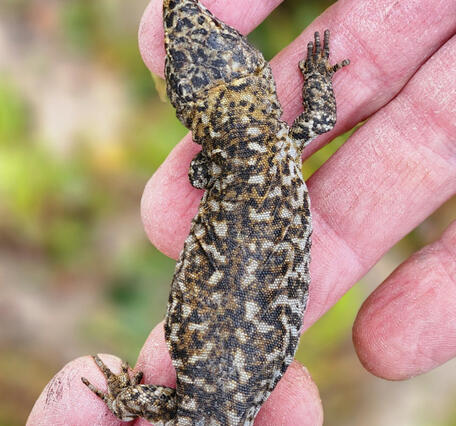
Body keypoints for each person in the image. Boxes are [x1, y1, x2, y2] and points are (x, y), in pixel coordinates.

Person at [28, 0, 456, 424]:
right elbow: (320, 115)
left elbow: (207, 170)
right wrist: (317, 76)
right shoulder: (278, 144)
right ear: (253, 66)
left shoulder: (261, 149)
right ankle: (126, 402)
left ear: (186, 108)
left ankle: (123, 403)